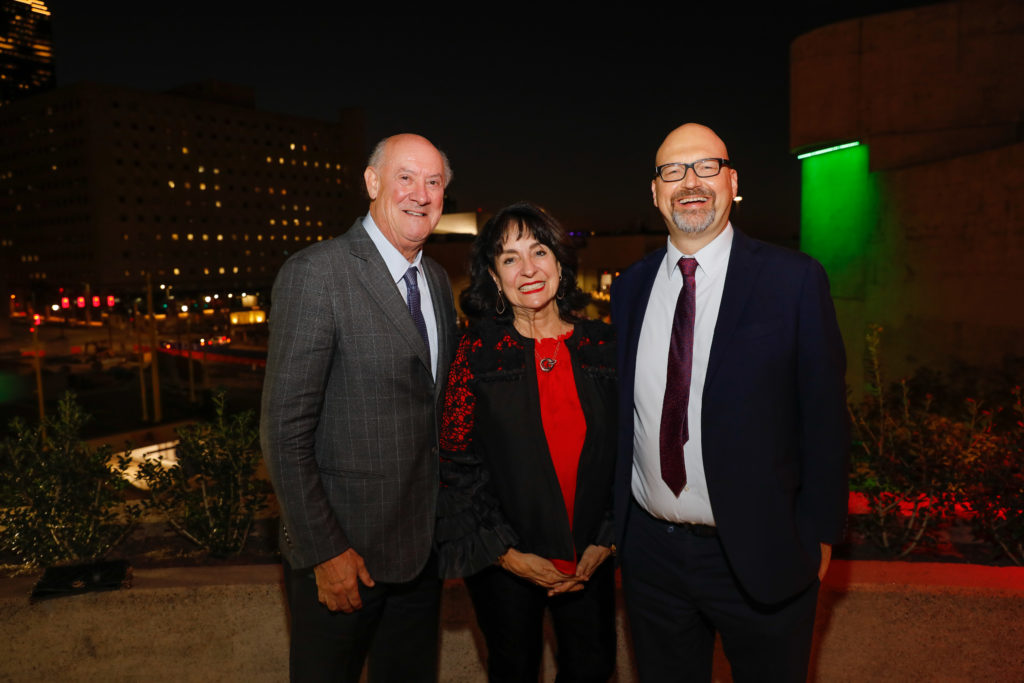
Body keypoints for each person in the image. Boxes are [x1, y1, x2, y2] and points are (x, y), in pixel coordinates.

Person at [611, 123, 849, 682]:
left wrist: (819, 534)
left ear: (733, 181)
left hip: (763, 552)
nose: (690, 182)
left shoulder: (794, 280)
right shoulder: (630, 288)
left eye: (706, 167)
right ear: (654, 192)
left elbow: (825, 417)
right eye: (673, 170)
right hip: (650, 557)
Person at [260, 133, 458, 682]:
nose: (420, 194)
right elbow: (283, 430)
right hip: (344, 559)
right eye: (405, 177)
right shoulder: (317, 273)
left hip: (419, 557)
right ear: (372, 183)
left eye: (434, 182)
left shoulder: (437, 280)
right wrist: (325, 552)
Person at [436, 202, 618, 682]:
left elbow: (630, 453)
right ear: (495, 278)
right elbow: (455, 463)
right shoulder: (474, 354)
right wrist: (505, 552)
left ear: (560, 262)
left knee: (592, 669)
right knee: (513, 670)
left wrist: (606, 539)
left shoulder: (604, 347)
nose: (528, 269)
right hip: (504, 562)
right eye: (510, 258)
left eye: (539, 251)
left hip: (592, 555)